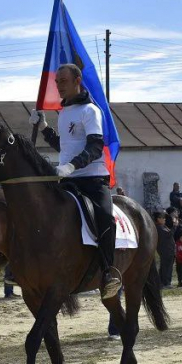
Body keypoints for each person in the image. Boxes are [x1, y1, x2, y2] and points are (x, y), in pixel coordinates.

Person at [27, 64, 121, 299]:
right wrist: (44, 128)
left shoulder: (90, 111)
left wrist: (73, 165)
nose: (58, 85)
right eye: (57, 81)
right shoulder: (64, 112)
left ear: (77, 80)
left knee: (104, 217)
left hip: (92, 178)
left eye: (63, 81)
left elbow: (96, 146)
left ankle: (109, 272)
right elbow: (64, 147)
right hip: (68, 179)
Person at [153, 211, 174, 288]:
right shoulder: (159, 227)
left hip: (169, 249)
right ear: (158, 219)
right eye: (162, 218)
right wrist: (174, 226)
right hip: (165, 250)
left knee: (167, 266)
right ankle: (165, 282)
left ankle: (164, 282)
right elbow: (168, 234)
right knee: (166, 267)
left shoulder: (164, 226)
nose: (164, 219)